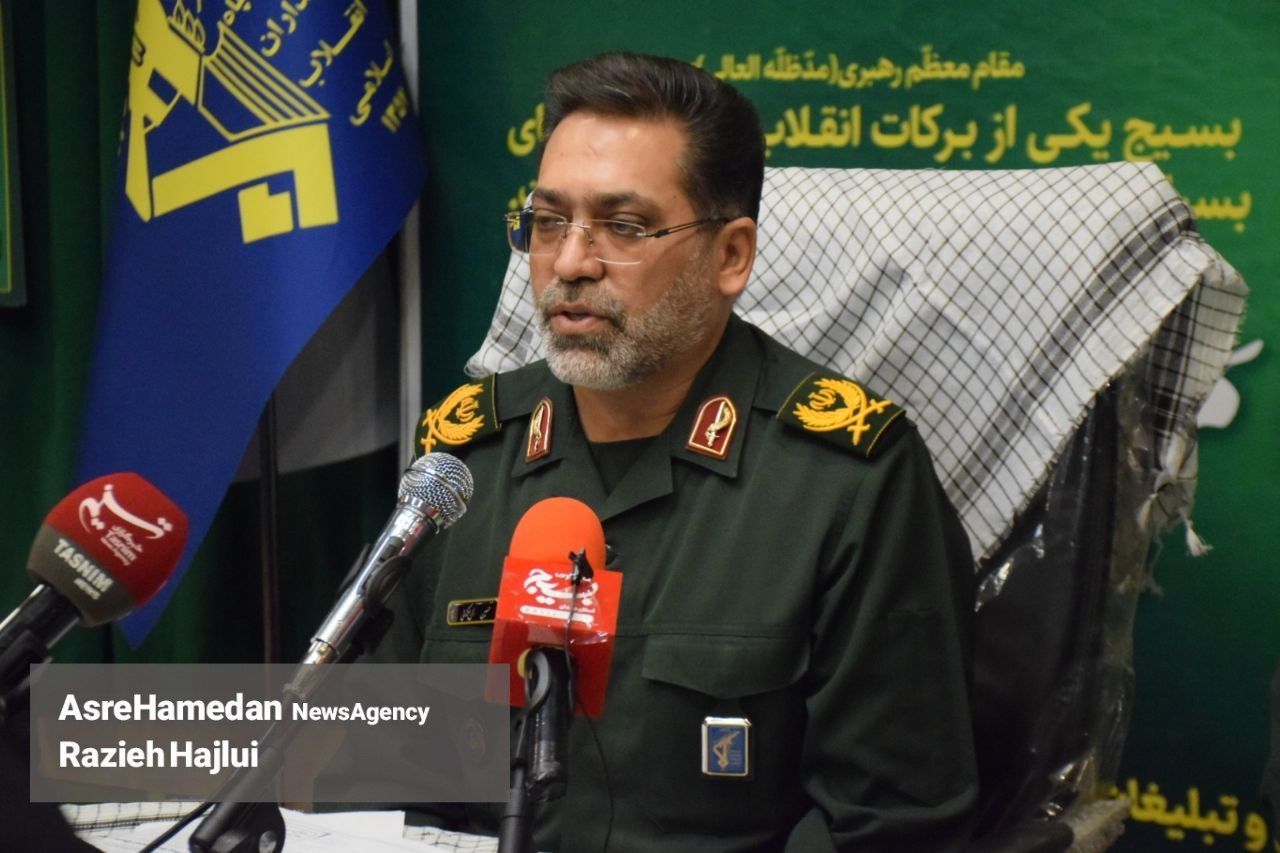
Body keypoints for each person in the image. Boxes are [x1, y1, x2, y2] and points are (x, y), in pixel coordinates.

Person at [380, 51, 978, 851]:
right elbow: (381, 773)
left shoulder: (848, 479)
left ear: (731, 256)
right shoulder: (466, 462)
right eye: (549, 222)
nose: (569, 264)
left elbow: (894, 828)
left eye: (624, 227)